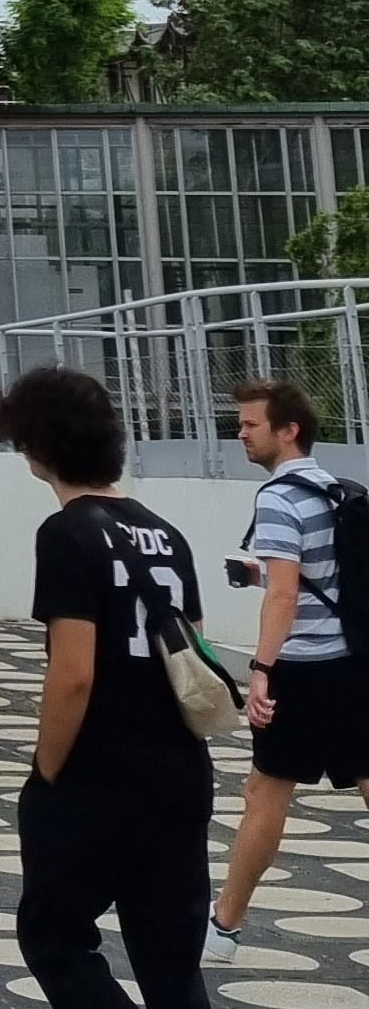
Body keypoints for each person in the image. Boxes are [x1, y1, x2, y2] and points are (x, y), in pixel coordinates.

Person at [0, 362, 239, 1009]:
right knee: (171, 968)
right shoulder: (165, 534)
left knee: (55, 940)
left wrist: (46, 772)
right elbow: (199, 659)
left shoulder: (66, 536)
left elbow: (72, 677)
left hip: (100, 774)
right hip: (180, 772)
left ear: (33, 446)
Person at [205, 376, 369, 965]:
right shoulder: (335, 489)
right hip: (354, 663)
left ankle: (224, 925)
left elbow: (283, 598)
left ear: (287, 430)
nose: (240, 434)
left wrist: (260, 671)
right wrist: (257, 575)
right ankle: (224, 921)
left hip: (301, 669)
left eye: (251, 425)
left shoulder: (277, 497)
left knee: (265, 792)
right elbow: (315, 579)